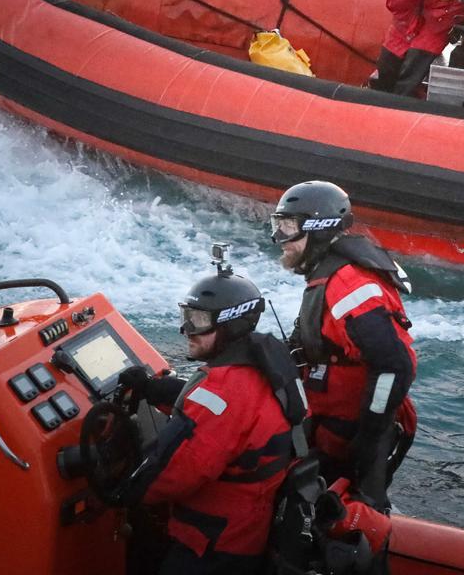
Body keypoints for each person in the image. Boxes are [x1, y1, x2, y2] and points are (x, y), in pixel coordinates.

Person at [117, 264, 308, 575]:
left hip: (212, 543)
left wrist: (125, 488)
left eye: (200, 321)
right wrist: (158, 391)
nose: (187, 330)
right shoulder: (267, 364)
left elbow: (176, 474)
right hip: (250, 530)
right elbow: (237, 417)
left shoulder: (221, 391)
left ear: (230, 326)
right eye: (187, 317)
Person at [271, 180, 417, 514]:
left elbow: (396, 365)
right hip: (328, 427)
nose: (279, 239)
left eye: (289, 228)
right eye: (278, 226)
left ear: (319, 230)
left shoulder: (349, 284)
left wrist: (369, 434)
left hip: (350, 437)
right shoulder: (330, 276)